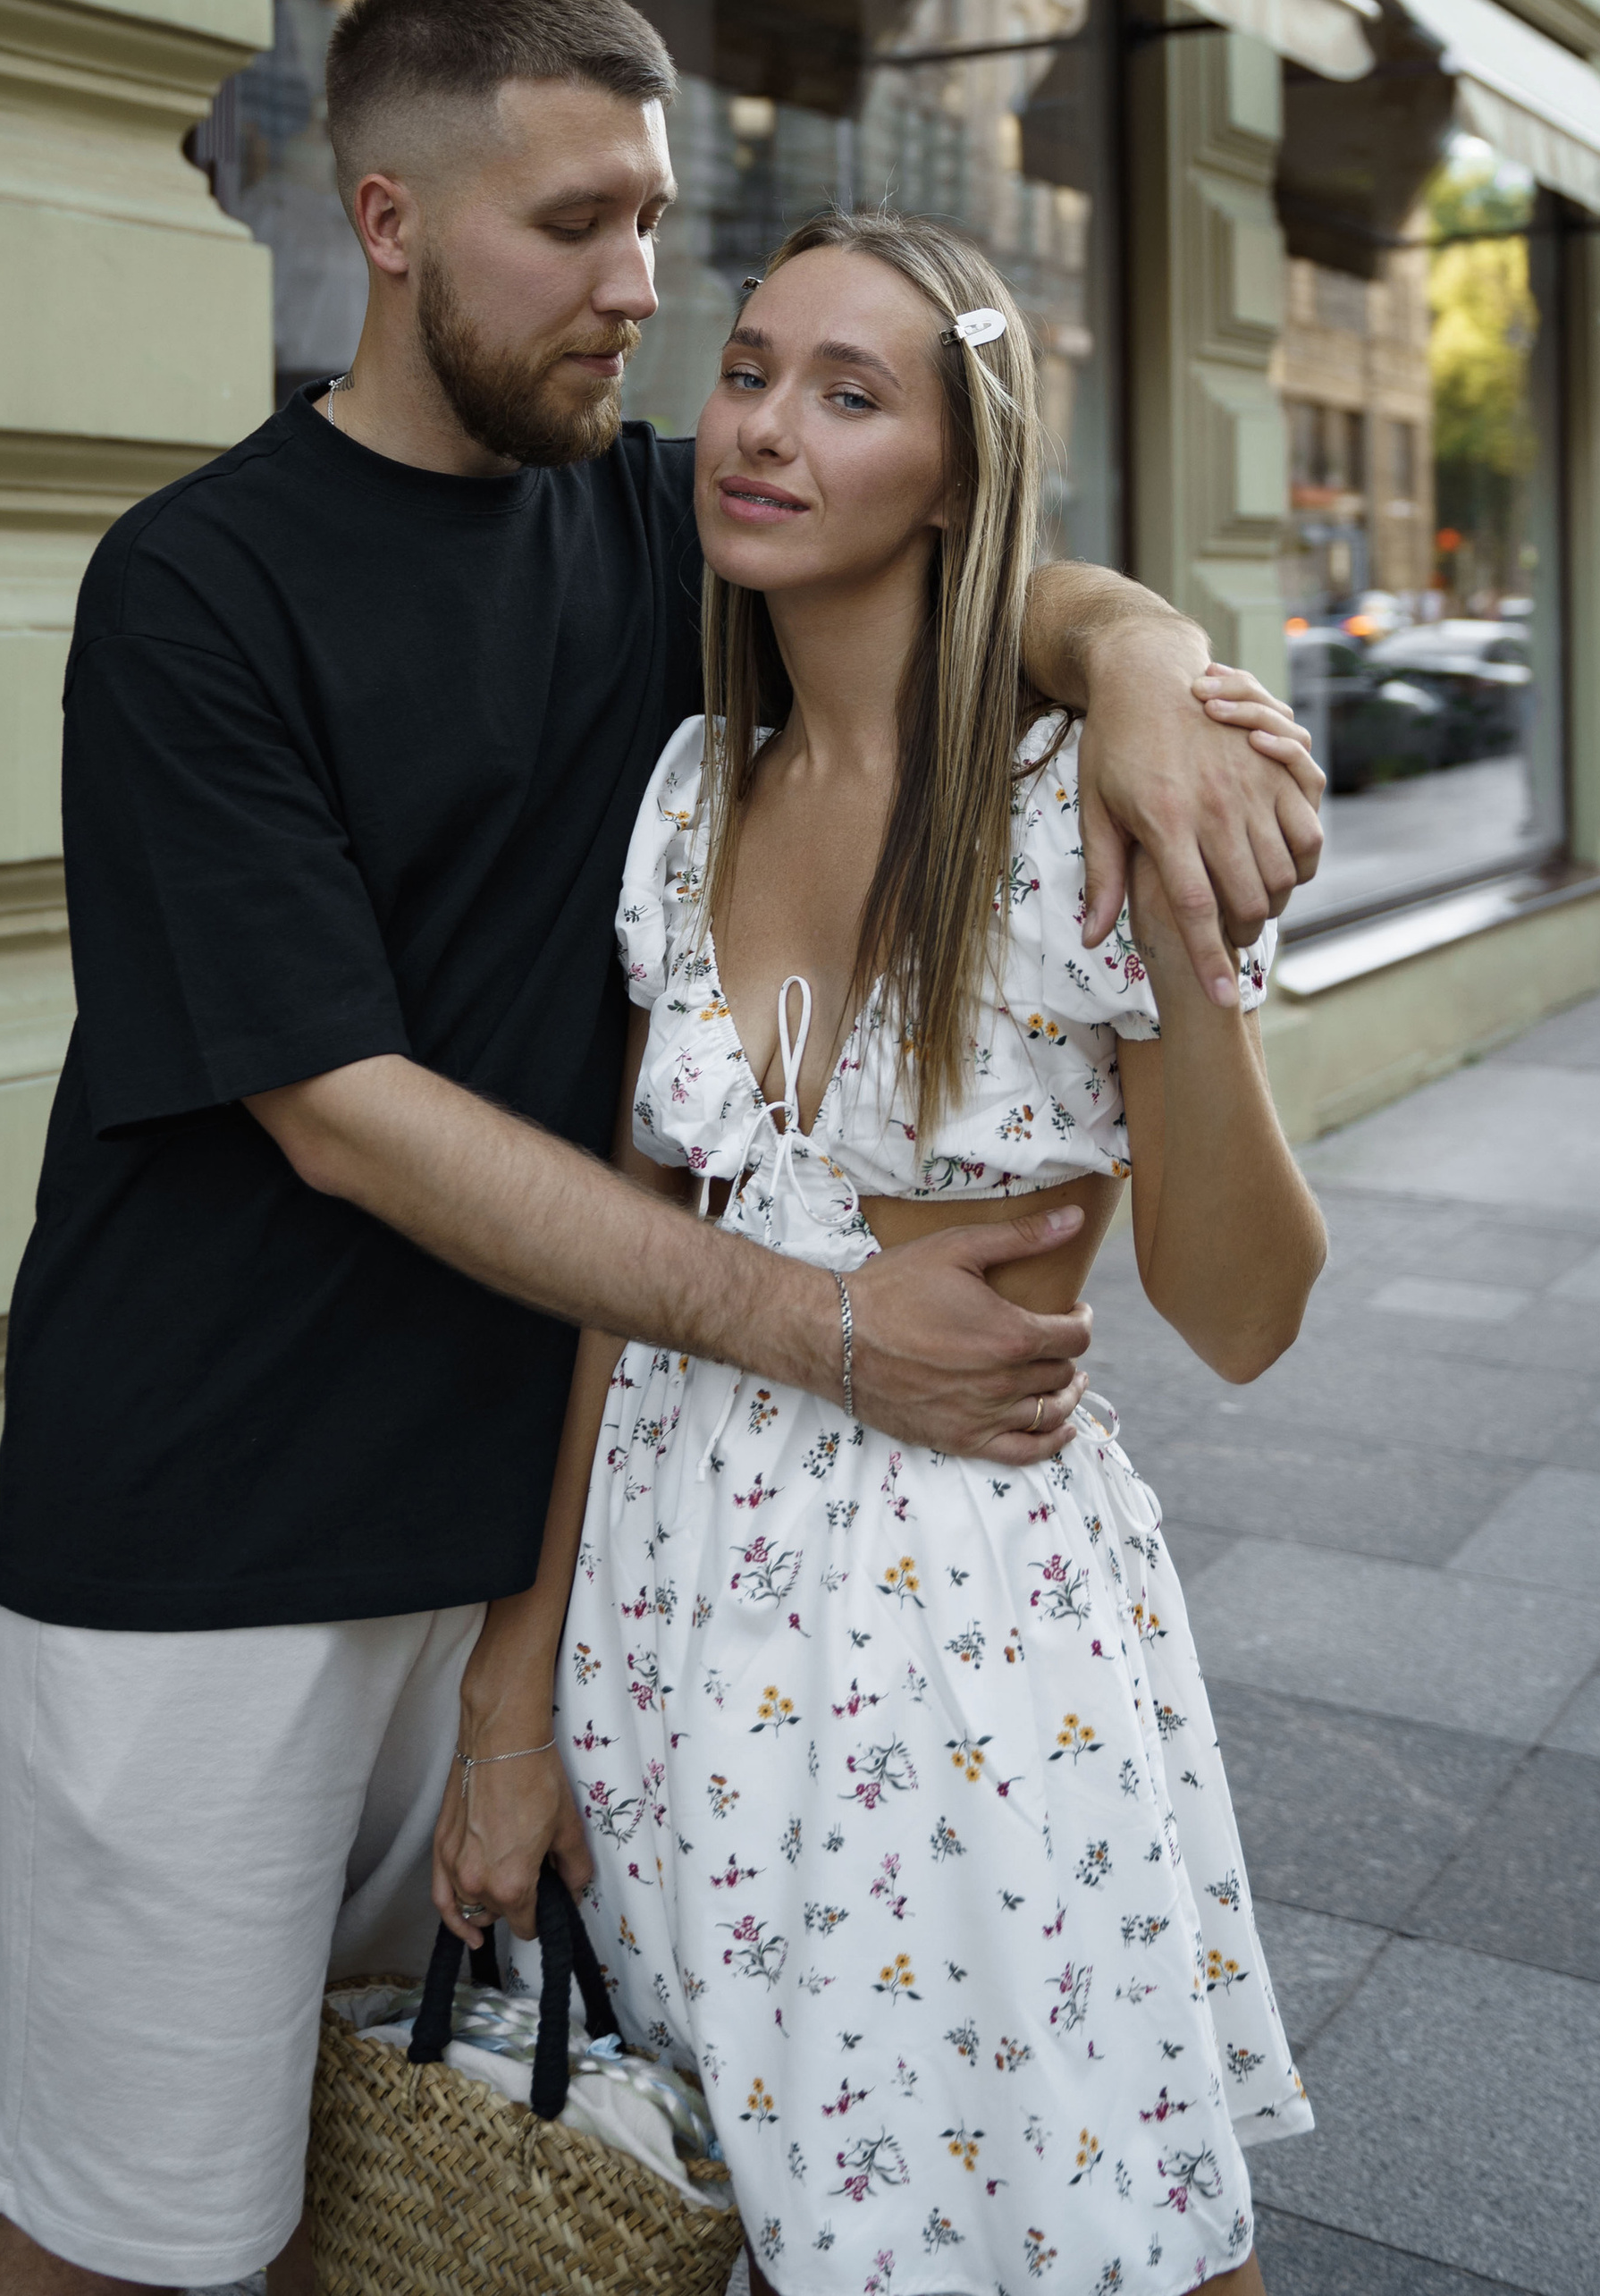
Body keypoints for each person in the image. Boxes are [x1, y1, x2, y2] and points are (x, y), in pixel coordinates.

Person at [0, 0, 1325, 2296]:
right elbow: (346, 1116)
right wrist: (822, 1327)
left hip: (586, 1553)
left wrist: (1135, 665)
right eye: (575, 227)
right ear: (390, 223)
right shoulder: (198, 589)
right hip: (228, 1527)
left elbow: (978, 545)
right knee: (138, 2221)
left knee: (454, 2180)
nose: (646, 297)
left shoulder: (661, 525)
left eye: (658, 225)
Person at [432, 210, 1328, 2296]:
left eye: (848, 395)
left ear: (956, 470)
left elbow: (1242, 1315)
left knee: (1083, 2219)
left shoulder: (1076, 801)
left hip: (956, 1631)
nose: (760, 428)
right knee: (748, 2206)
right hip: (664, 1605)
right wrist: (514, 1685)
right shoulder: (687, 794)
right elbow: (626, 1269)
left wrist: (1187, 939)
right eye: (749, 370)